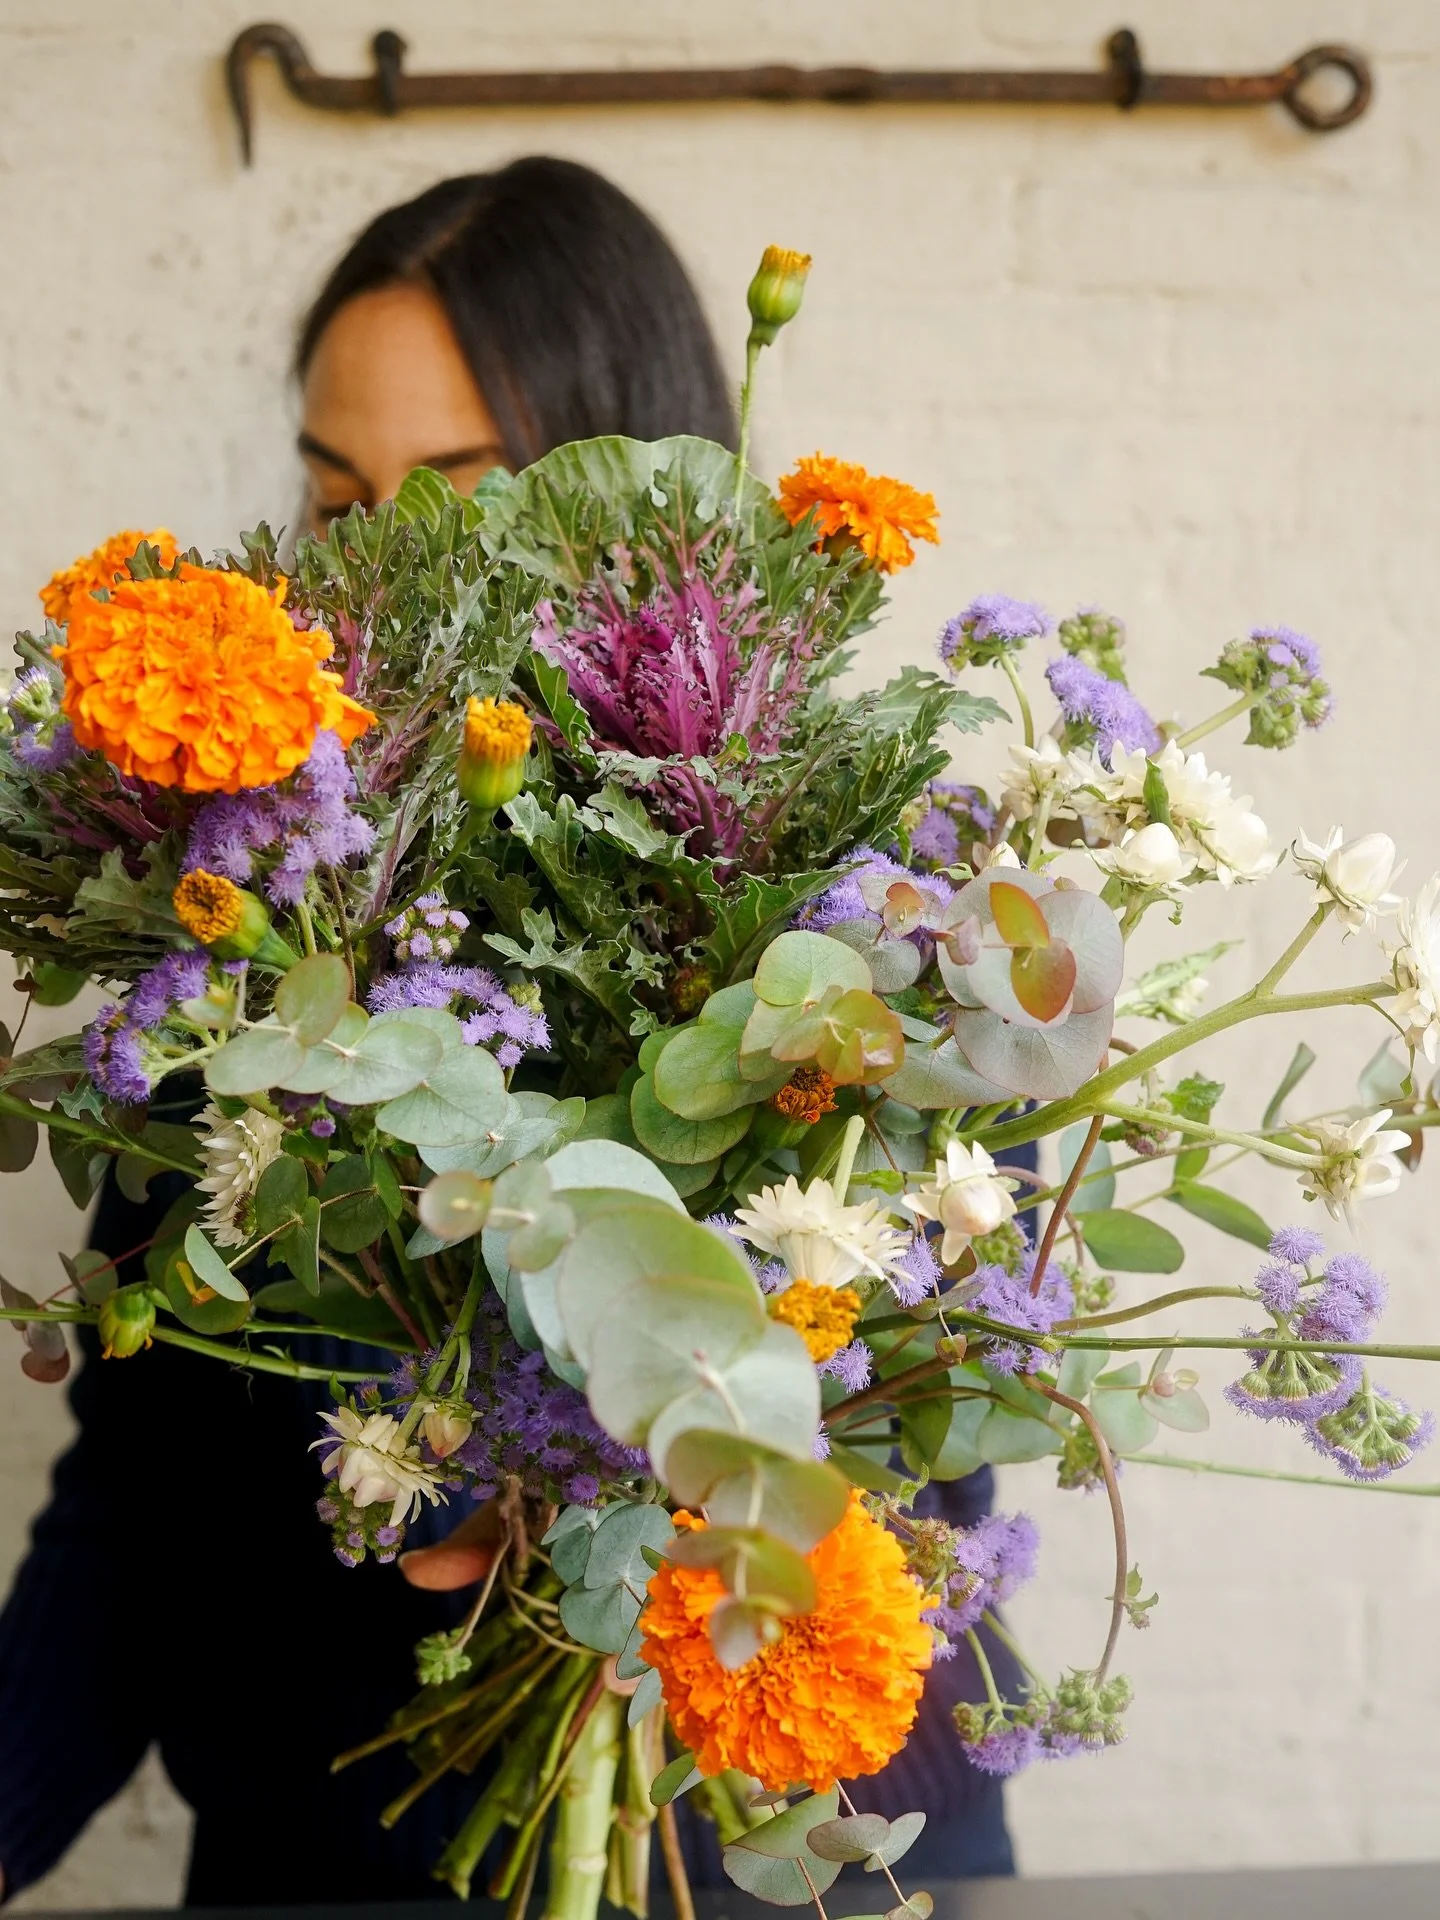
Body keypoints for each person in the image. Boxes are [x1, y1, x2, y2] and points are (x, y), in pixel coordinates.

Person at [0, 157, 1017, 1907]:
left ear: (647, 511)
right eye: (338, 497)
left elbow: (945, 1448)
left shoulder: (845, 929)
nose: (373, 559)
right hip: (321, 1865)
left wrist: (617, 1484)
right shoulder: (241, 933)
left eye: (457, 491)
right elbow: (137, 1522)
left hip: (766, 1864)